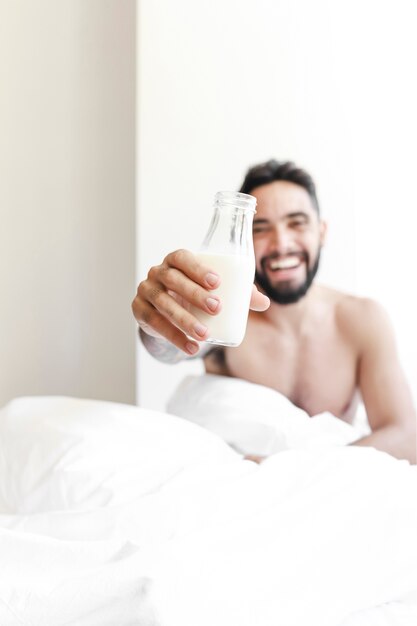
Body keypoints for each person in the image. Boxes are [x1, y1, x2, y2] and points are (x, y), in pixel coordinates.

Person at [132, 159, 416, 464]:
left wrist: (291, 470)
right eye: (261, 227)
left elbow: (406, 436)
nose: (281, 244)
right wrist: (155, 323)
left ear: (321, 232)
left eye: (296, 222)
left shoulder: (361, 319)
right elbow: (169, 350)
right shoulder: (224, 312)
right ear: (243, 238)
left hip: (331, 490)